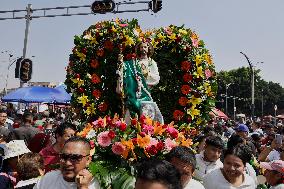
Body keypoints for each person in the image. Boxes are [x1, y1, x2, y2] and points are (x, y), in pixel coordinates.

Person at [116, 41, 163, 123]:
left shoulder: (151, 62)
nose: (143, 49)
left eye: (145, 47)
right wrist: (121, 63)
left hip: (146, 92)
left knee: (145, 116)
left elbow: (156, 78)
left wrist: (147, 74)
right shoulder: (133, 63)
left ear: (149, 49)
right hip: (133, 92)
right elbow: (125, 69)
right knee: (132, 111)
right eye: (141, 47)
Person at [34, 136, 100, 189]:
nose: (67, 163)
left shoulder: (96, 184)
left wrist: (83, 187)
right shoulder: (49, 178)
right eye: (64, 156)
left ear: (88, 160)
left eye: (75, 158)